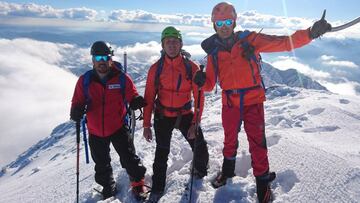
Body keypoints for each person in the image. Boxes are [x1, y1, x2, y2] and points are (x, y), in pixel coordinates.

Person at [193, 2, 331, 203]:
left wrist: (310, 33)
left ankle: (262, 185)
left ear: (234, 22)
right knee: (229, 140)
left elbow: (283, 42)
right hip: (230, 102)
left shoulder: (251, 40)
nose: (224, 26)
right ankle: (227, 172)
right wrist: (200, 81)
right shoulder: (214, 53)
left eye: (228, 21)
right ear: (214, 25)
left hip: (253, 101)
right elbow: (209, 84)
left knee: (258, 144)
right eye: (219, 22)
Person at [70, 41, 148, 200]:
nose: (101, 60)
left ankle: (138, 182)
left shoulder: (121, 78)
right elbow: (77, 101)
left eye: (105, 56)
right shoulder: (85, 81)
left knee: (129, 157)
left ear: (110, 59)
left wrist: (135, 100)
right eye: (98, 57)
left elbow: (131, 93)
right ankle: (107, 185)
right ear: (93, 60)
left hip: (117, 126)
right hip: (95, 130)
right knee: (101, 163)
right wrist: (75, 111)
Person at [142, 26, 209, 203]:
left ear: (180, 44)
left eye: (175, 42)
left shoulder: (191, 67)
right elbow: (148, 98)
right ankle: (157, 188)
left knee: (200, 146)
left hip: (186, 114)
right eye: (168, 42)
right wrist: (146, 125)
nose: (171, 45)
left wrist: (195, 123)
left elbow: (199, 97)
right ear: (163, 45)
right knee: (161, 153)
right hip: (163, 116)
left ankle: (200, 172)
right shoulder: (155, 69)